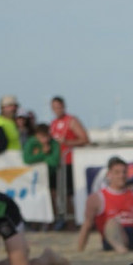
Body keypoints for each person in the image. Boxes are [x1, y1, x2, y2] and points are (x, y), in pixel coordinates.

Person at [48, 96, 90, 225]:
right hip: (57, 162)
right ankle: (60, 219)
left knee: (69, 194)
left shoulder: (71, 121)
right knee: (55, 192)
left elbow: (85, 139)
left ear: (63, 107)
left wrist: (67, 142)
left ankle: (72, 221)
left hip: (70, 161)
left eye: (59, 107)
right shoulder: (53, 123)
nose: (57, 110)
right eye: (54, 107)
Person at [22, 123, 61, 194]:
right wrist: (43, 154)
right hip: (34, 177)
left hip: (50, 175)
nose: (46, 140)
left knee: (53, 196)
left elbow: (54, 161)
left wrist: (38, 156)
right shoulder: (31, 142)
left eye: (47, 136)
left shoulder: (54, 143)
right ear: (37, 135)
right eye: (43, 137)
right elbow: (27, 159)